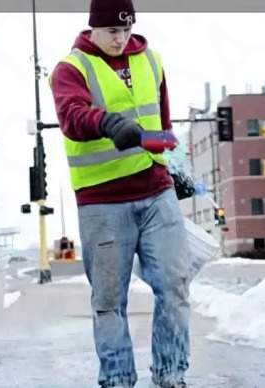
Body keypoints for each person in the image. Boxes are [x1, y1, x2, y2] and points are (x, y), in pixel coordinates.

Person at [49, 1, 191, 387]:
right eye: (112, 31)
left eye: (126, 30)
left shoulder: (152, 61)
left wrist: (176, 170)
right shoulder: (70, 69)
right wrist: (108, 122)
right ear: (93, 27)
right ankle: (116, 380)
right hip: (102, 202)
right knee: (110, 303)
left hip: (156, 191)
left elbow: (161, 124)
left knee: (175, 285)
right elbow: (72, 117)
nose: (120, 38)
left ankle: (171, 375)